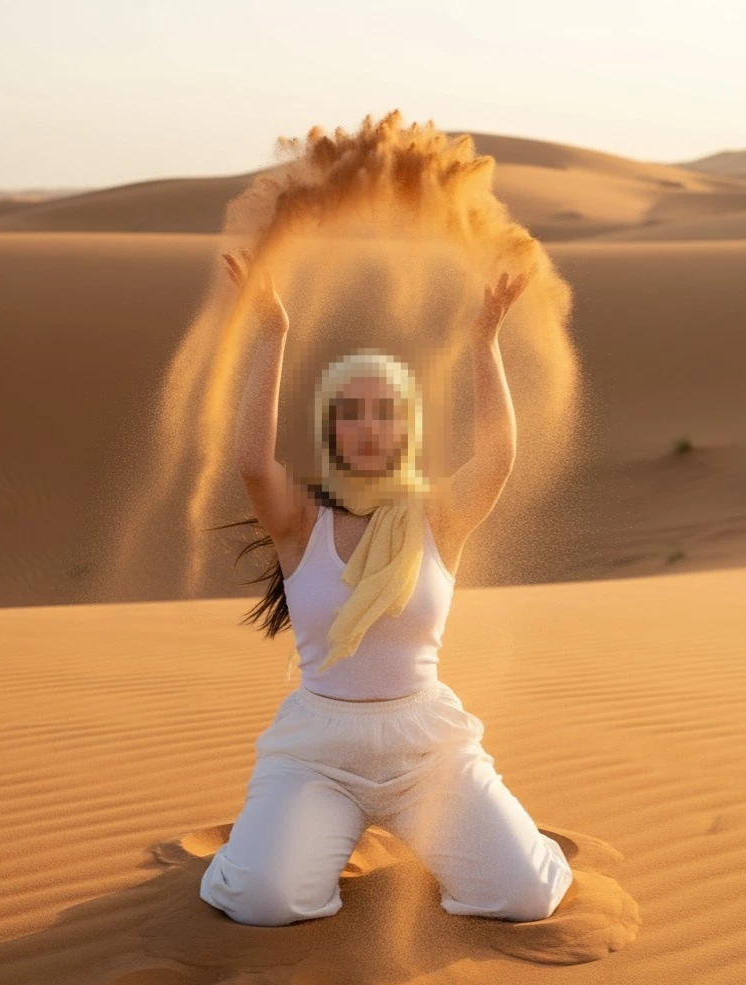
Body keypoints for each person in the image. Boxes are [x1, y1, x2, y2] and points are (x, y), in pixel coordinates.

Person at [200, 248, 573, 927]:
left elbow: (497, 457)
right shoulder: (300, 522)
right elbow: (252, 462)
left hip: (426, 747)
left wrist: (482, 342)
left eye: (386, 411)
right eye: (352, 412)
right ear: (332, 428)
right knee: (264, 900)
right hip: (319, 750)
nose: (370, 426)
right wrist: (273, 332)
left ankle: (501, 837)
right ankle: (271, 841)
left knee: (526, 895)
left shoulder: (438, 515)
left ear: (406, 427)